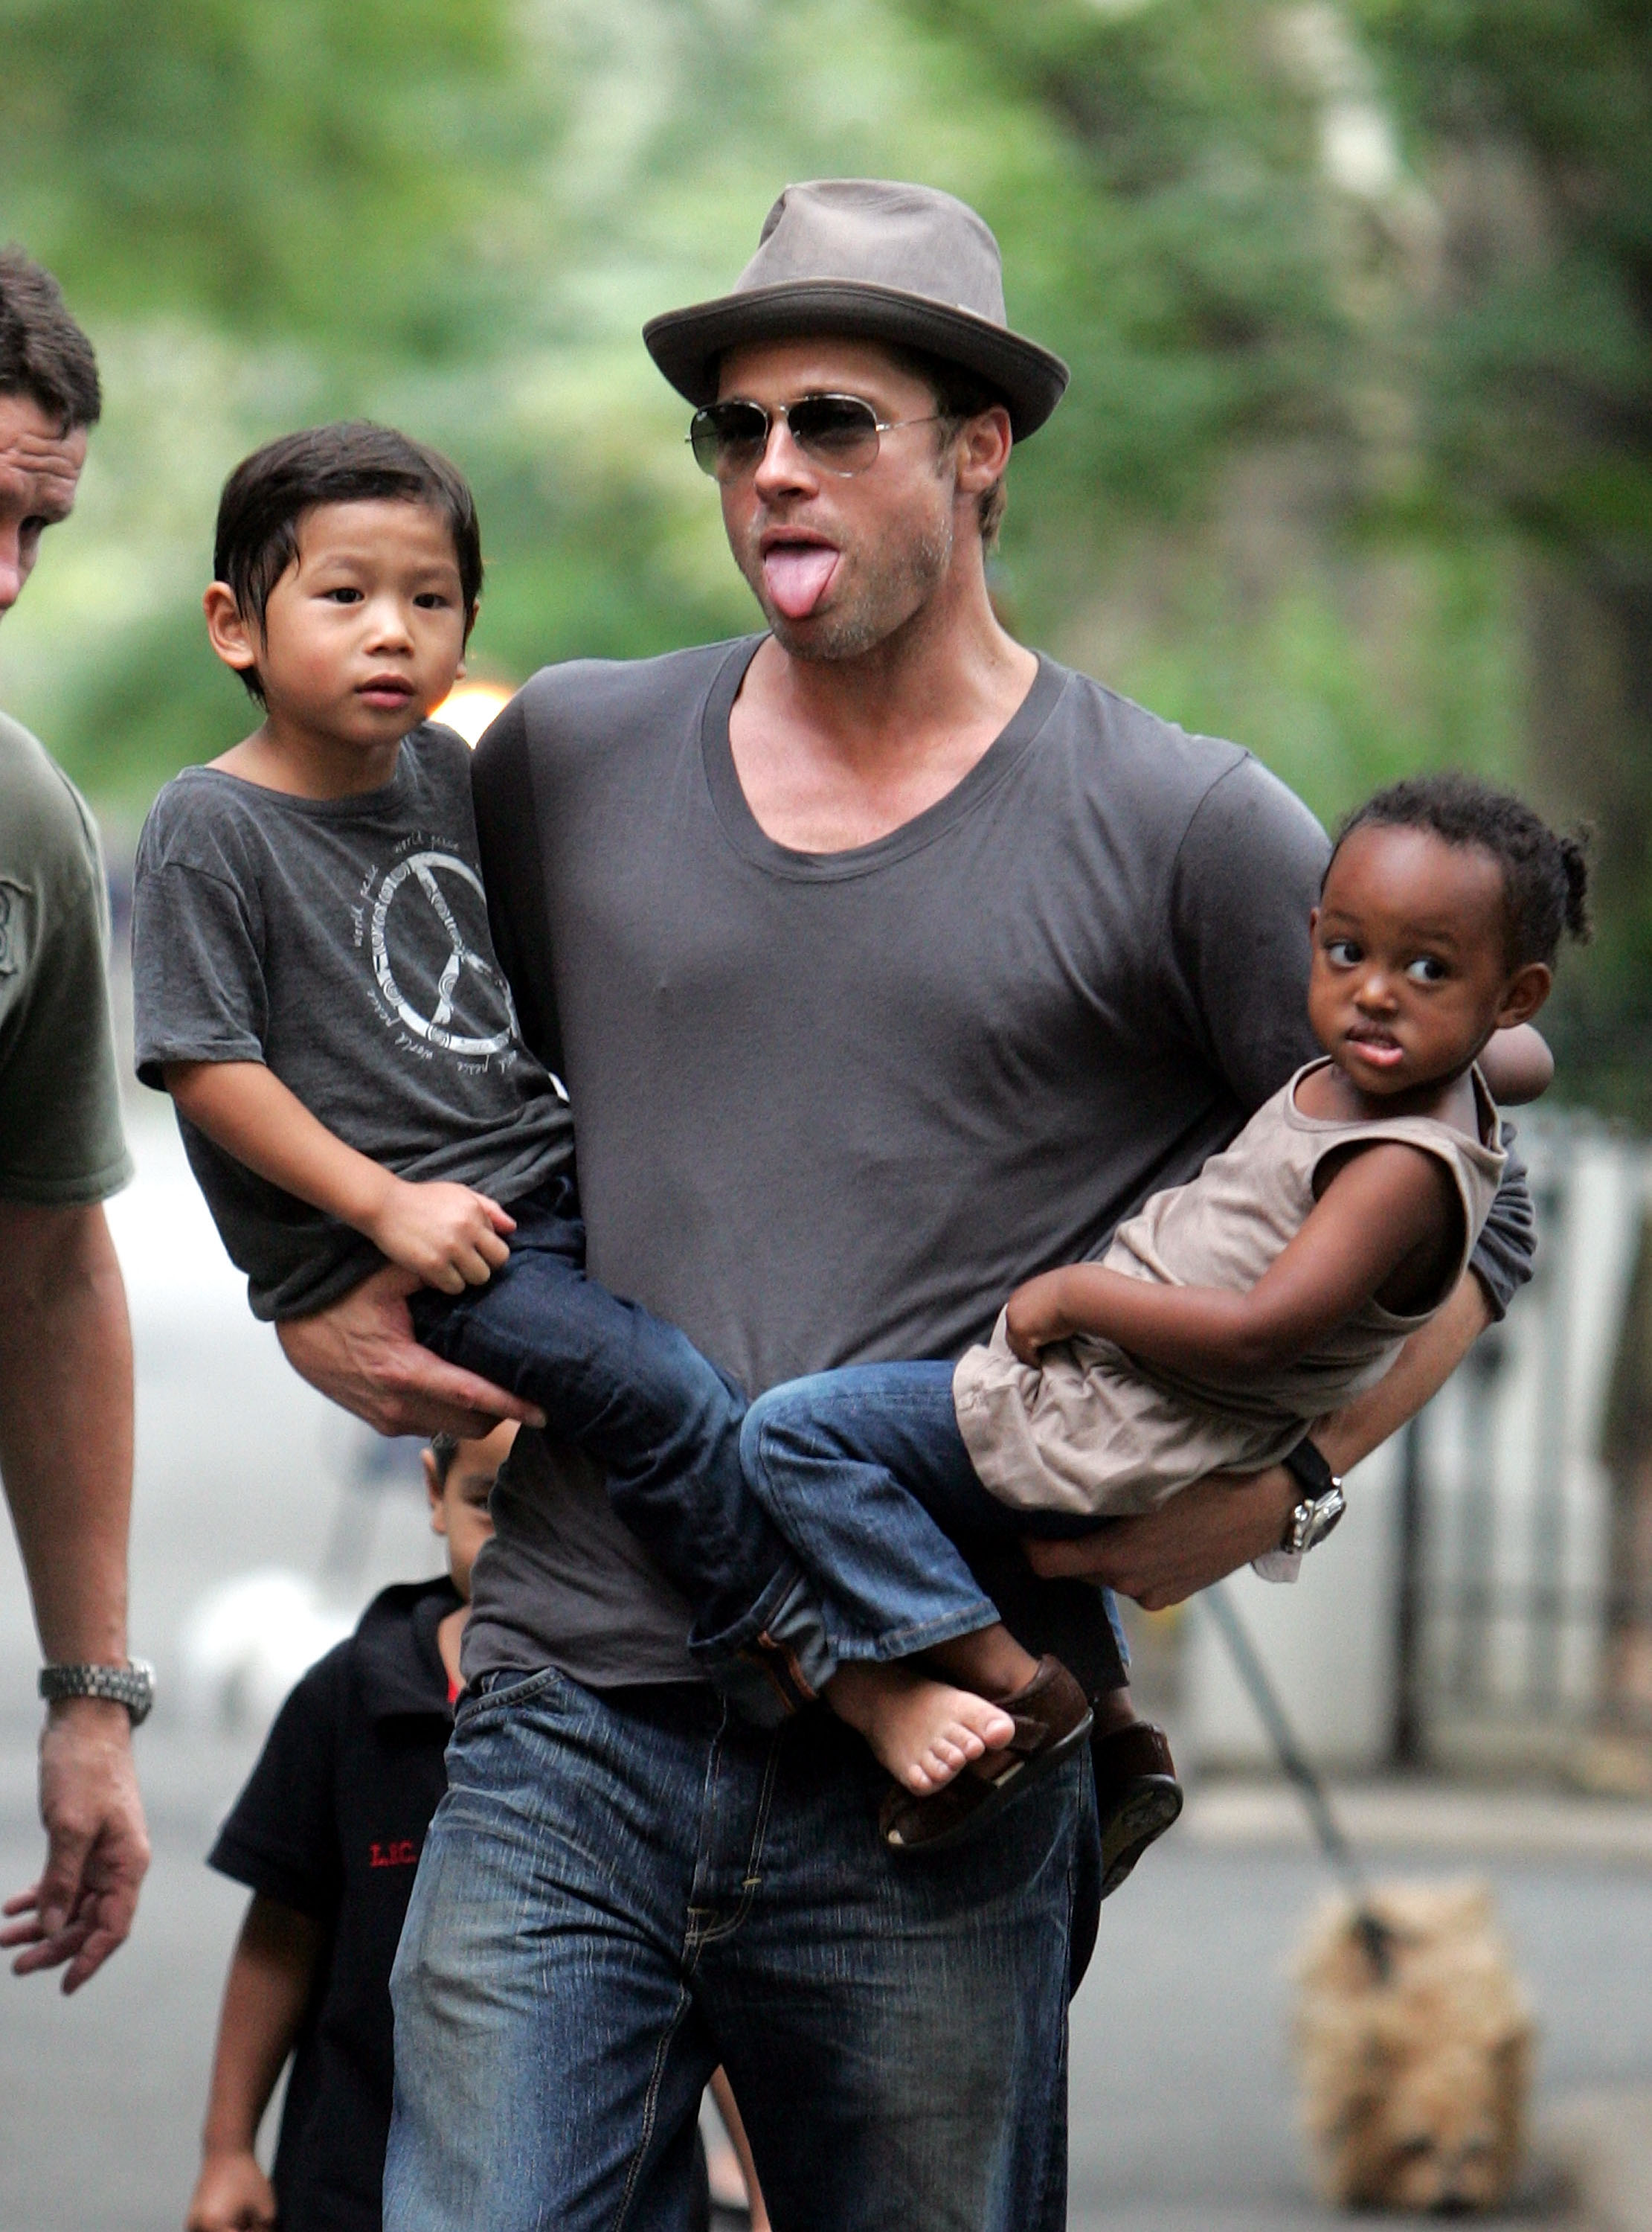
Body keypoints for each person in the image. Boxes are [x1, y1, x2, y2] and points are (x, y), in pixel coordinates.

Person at [268, 181, 1538, 2231]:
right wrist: (314, 1288)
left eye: (831, 420)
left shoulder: (1180, 824)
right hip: (572, 1697)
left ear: (976, 452)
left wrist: (1271, 1490)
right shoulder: (571, 750)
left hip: (941, 1762)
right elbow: (389, 1039)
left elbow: (1473, 1206)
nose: (767, 466)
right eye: (735, 426)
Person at [126, 417, 1164, 1854]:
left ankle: (1087, 1691)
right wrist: (379, 1215)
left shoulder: (450, 776)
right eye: (344, 596)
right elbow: (205, 1064)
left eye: (430, 602)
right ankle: (842, 1671)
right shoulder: (212, 826)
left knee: (790, 1370)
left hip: (549, 1182)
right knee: (670, 1402)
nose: (393, 635)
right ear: (235, 626)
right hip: (453, 1243)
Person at [736, 775, 1581, 1849]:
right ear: (1313, 937)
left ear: (1512, 993)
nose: (1375, 994)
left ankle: (1023, 1690)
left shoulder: (1397, 1170)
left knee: (796, 1441)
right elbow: (1520, 1060)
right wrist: (1470, 1016)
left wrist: (1075, 1292)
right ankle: (1122, 1736)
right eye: (1349, 954)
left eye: (1427, 969)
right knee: (999, 1514)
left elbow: (1261, 1332)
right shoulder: (1428, 1066)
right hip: (1132, 1411)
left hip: (1122, 1414)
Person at [184, 1423, 510, 2232]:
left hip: (599, 2194)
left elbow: (706, 1968)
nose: (523, 1545)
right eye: (491, 1504)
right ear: (435, 1491)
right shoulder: (346, 1701)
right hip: (354, 2191)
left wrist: (765, 2195)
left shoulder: (654, 1716)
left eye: (559, 1510)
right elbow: (278, 1936)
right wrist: (228, 2149)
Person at [0, 245, 149, 1995]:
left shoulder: (23, 817)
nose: (10, 580)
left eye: (41, 529)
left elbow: (45, 1272)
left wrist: (90, 1694)